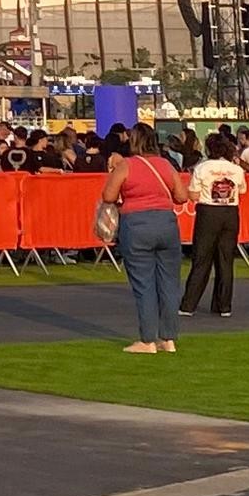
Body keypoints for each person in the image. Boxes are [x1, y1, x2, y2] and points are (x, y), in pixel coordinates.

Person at [97, 125, 189, 353]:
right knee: (169, 283)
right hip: (166, 224)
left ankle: (147, 340)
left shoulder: (127, 166)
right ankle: (168, 338)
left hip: (137, 225)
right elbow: (181, 196)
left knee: (144, 285)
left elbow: (108, 195)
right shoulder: (166, 165)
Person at [180, 134, 245, 317]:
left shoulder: (202, 167)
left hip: (208, 212)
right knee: (225, 260)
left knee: (202, 258)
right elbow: (242, 190)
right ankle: (223, 305)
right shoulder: (236, 169)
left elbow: (193, 195)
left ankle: (188, 304)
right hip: (230, 212)